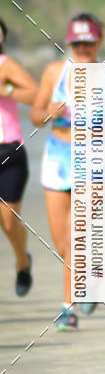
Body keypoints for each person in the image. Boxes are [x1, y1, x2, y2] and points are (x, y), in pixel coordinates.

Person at [31, 14, 105, 331]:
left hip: (94, 158)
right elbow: (35, 115)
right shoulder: (54, 72)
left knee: (76, 236)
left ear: (99, 42)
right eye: (77, 44)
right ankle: (90, 276)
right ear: (69, 44)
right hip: (58, 158)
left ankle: (67, 309)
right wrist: (48, 112)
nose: (83, 49)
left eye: (88, 43)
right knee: (62, 244)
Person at [0, 18, 38, 295]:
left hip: (8, 152)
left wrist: (6, 90)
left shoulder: (6, 65)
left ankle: (23, 263)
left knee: (9, 221)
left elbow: (36, 94)